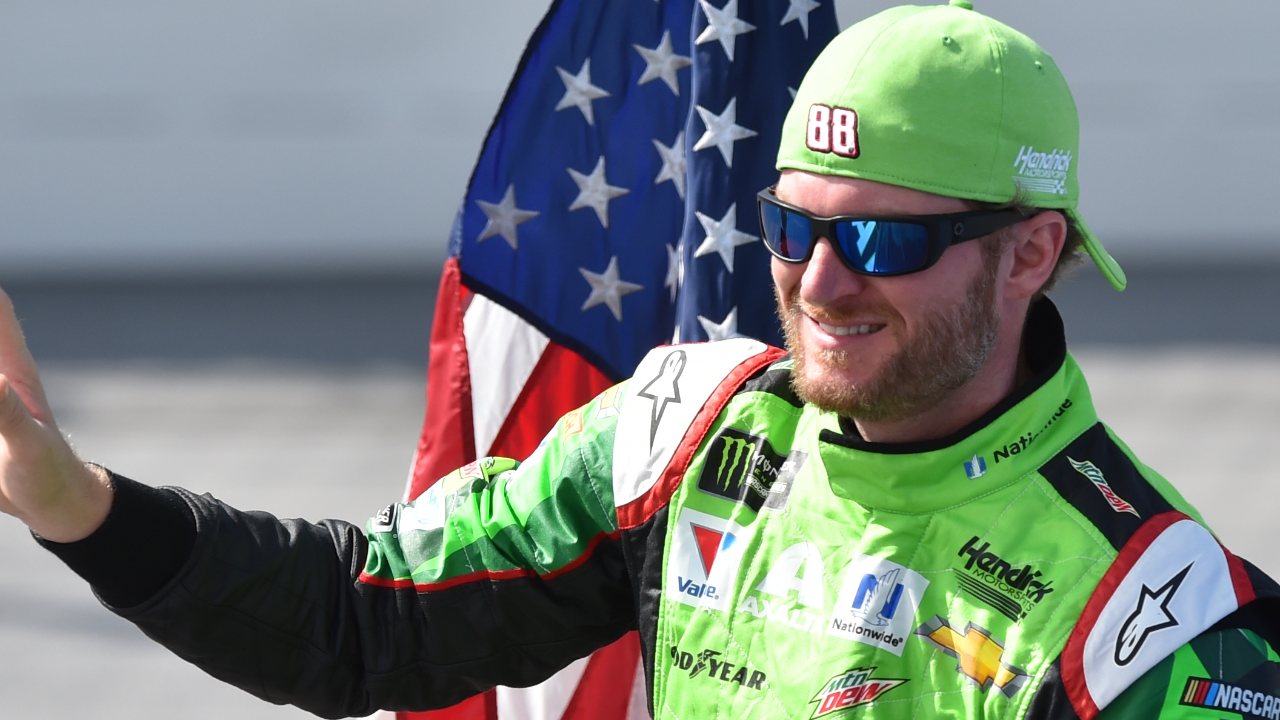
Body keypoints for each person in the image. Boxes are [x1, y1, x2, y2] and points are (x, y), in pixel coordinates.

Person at [2, 2, 1277, 718]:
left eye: (883, 240)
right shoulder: (685, 436)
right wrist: (85, 511)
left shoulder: (1154, 620)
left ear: (1026, 253)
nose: (818, 285)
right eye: (792, 226)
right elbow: (361, 621)